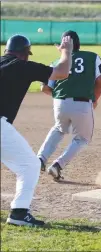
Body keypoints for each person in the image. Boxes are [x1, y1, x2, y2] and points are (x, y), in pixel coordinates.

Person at [0, 34, 73, 226]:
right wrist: (66, 51)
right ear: (25, 54)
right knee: (29, 166)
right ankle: (19, 213)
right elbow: (62, 72)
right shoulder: (22, 66)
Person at [38, 30, 101, 181]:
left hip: (59, 103)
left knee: (58, 129)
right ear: (79, 43)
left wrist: (61, 97)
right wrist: (94, 99)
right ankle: (58, 165)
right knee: (82, 139)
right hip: (82, 105)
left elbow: (44, 87)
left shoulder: (57, 62)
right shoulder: (92, 57)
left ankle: (40, 159)